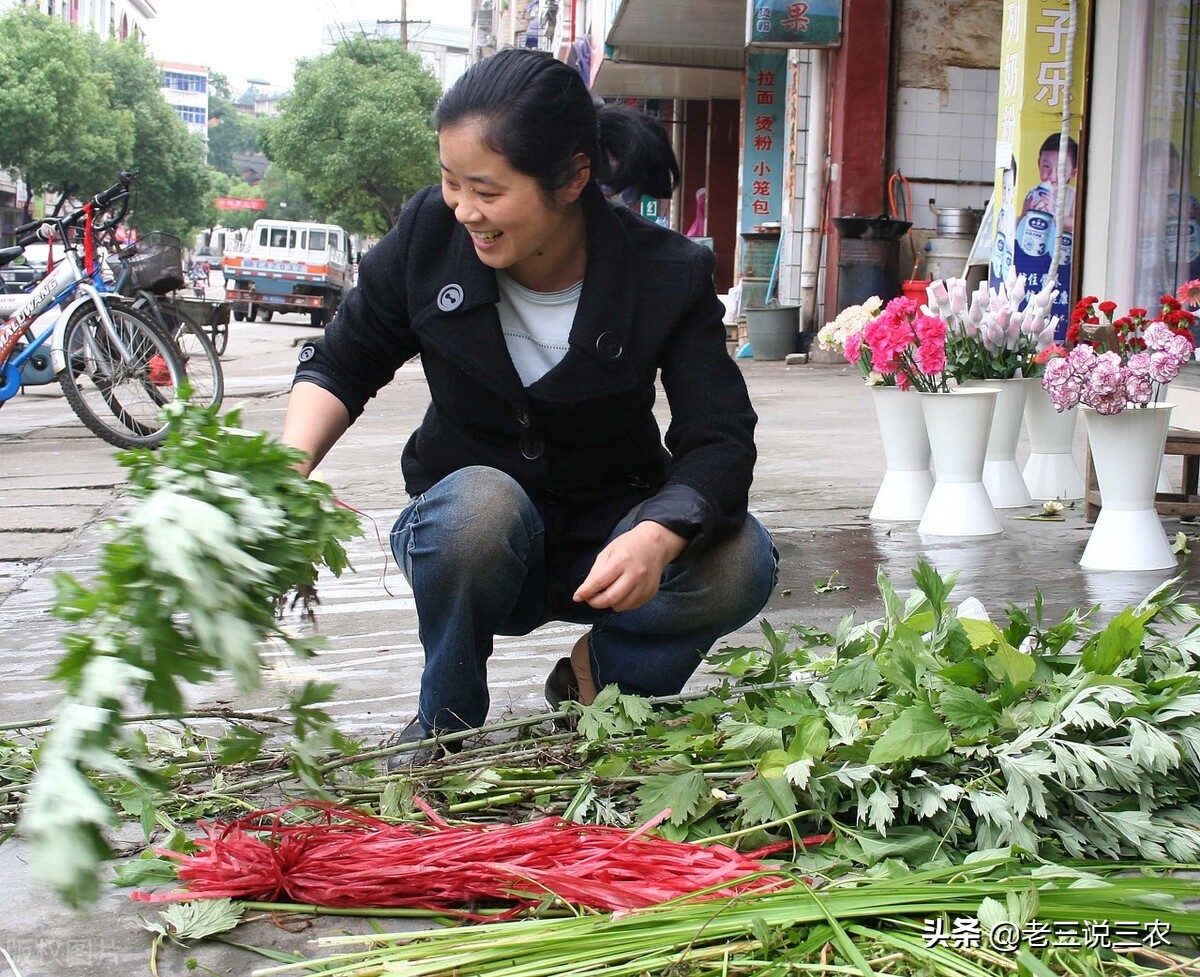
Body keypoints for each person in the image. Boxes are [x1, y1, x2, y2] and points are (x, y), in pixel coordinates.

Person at [281, 48, 778, 764]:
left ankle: (599, 684)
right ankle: (445, 723)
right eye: (451, 182)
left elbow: (720, 437)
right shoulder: (430, 236)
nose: (464, 210)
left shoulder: (666, 273)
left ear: (573, 178)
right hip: (470, 543)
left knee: (742, 558)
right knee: (478, 505)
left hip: (612, 548)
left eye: (486, 189)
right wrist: (282, 471)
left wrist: (659, 535)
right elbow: (344, 359)